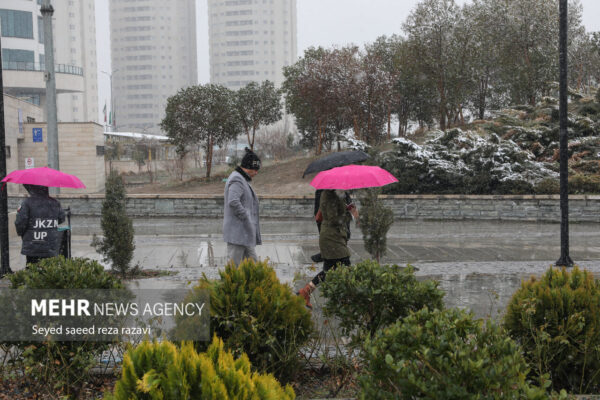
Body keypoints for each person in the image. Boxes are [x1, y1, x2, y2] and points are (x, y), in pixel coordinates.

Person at [298, 189, 355, 309]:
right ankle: (348, 300)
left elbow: (324, 216)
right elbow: (333, 219)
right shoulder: (330, 194)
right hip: (332, 239)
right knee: (345, 267)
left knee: (330, 270)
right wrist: (347, 211)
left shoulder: (335, 193)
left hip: (334, 237)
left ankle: (305, 292)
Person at [223, 148, 262, 265]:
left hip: (244, 232)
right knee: (234, 267)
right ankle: (231, 283)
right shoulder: (237, 179)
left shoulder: (241, 179)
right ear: (249, 167)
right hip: (238, 232)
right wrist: (246, 217)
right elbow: (233, 201)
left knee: (253, 264)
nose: (256, 173)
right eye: (256, 170)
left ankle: (256, 283)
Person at [15, 184, 66, 266]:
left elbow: (20, 222)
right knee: (49, 271)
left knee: (32, 271)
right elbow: (61, 218)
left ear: (32, 188)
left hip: (33, 244)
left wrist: (22, 233)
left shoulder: (27, 203)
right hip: (50, 244)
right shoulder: (55, 203)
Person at [311, 189, 358, 262]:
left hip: (335, 235)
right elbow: (333, 218)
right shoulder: (329, 195)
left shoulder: (338, 193)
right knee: (342, 264)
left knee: (333, 266)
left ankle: (323, 255)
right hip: (333, 236)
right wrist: (350, 215)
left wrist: (349, 209)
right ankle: (323, 255)